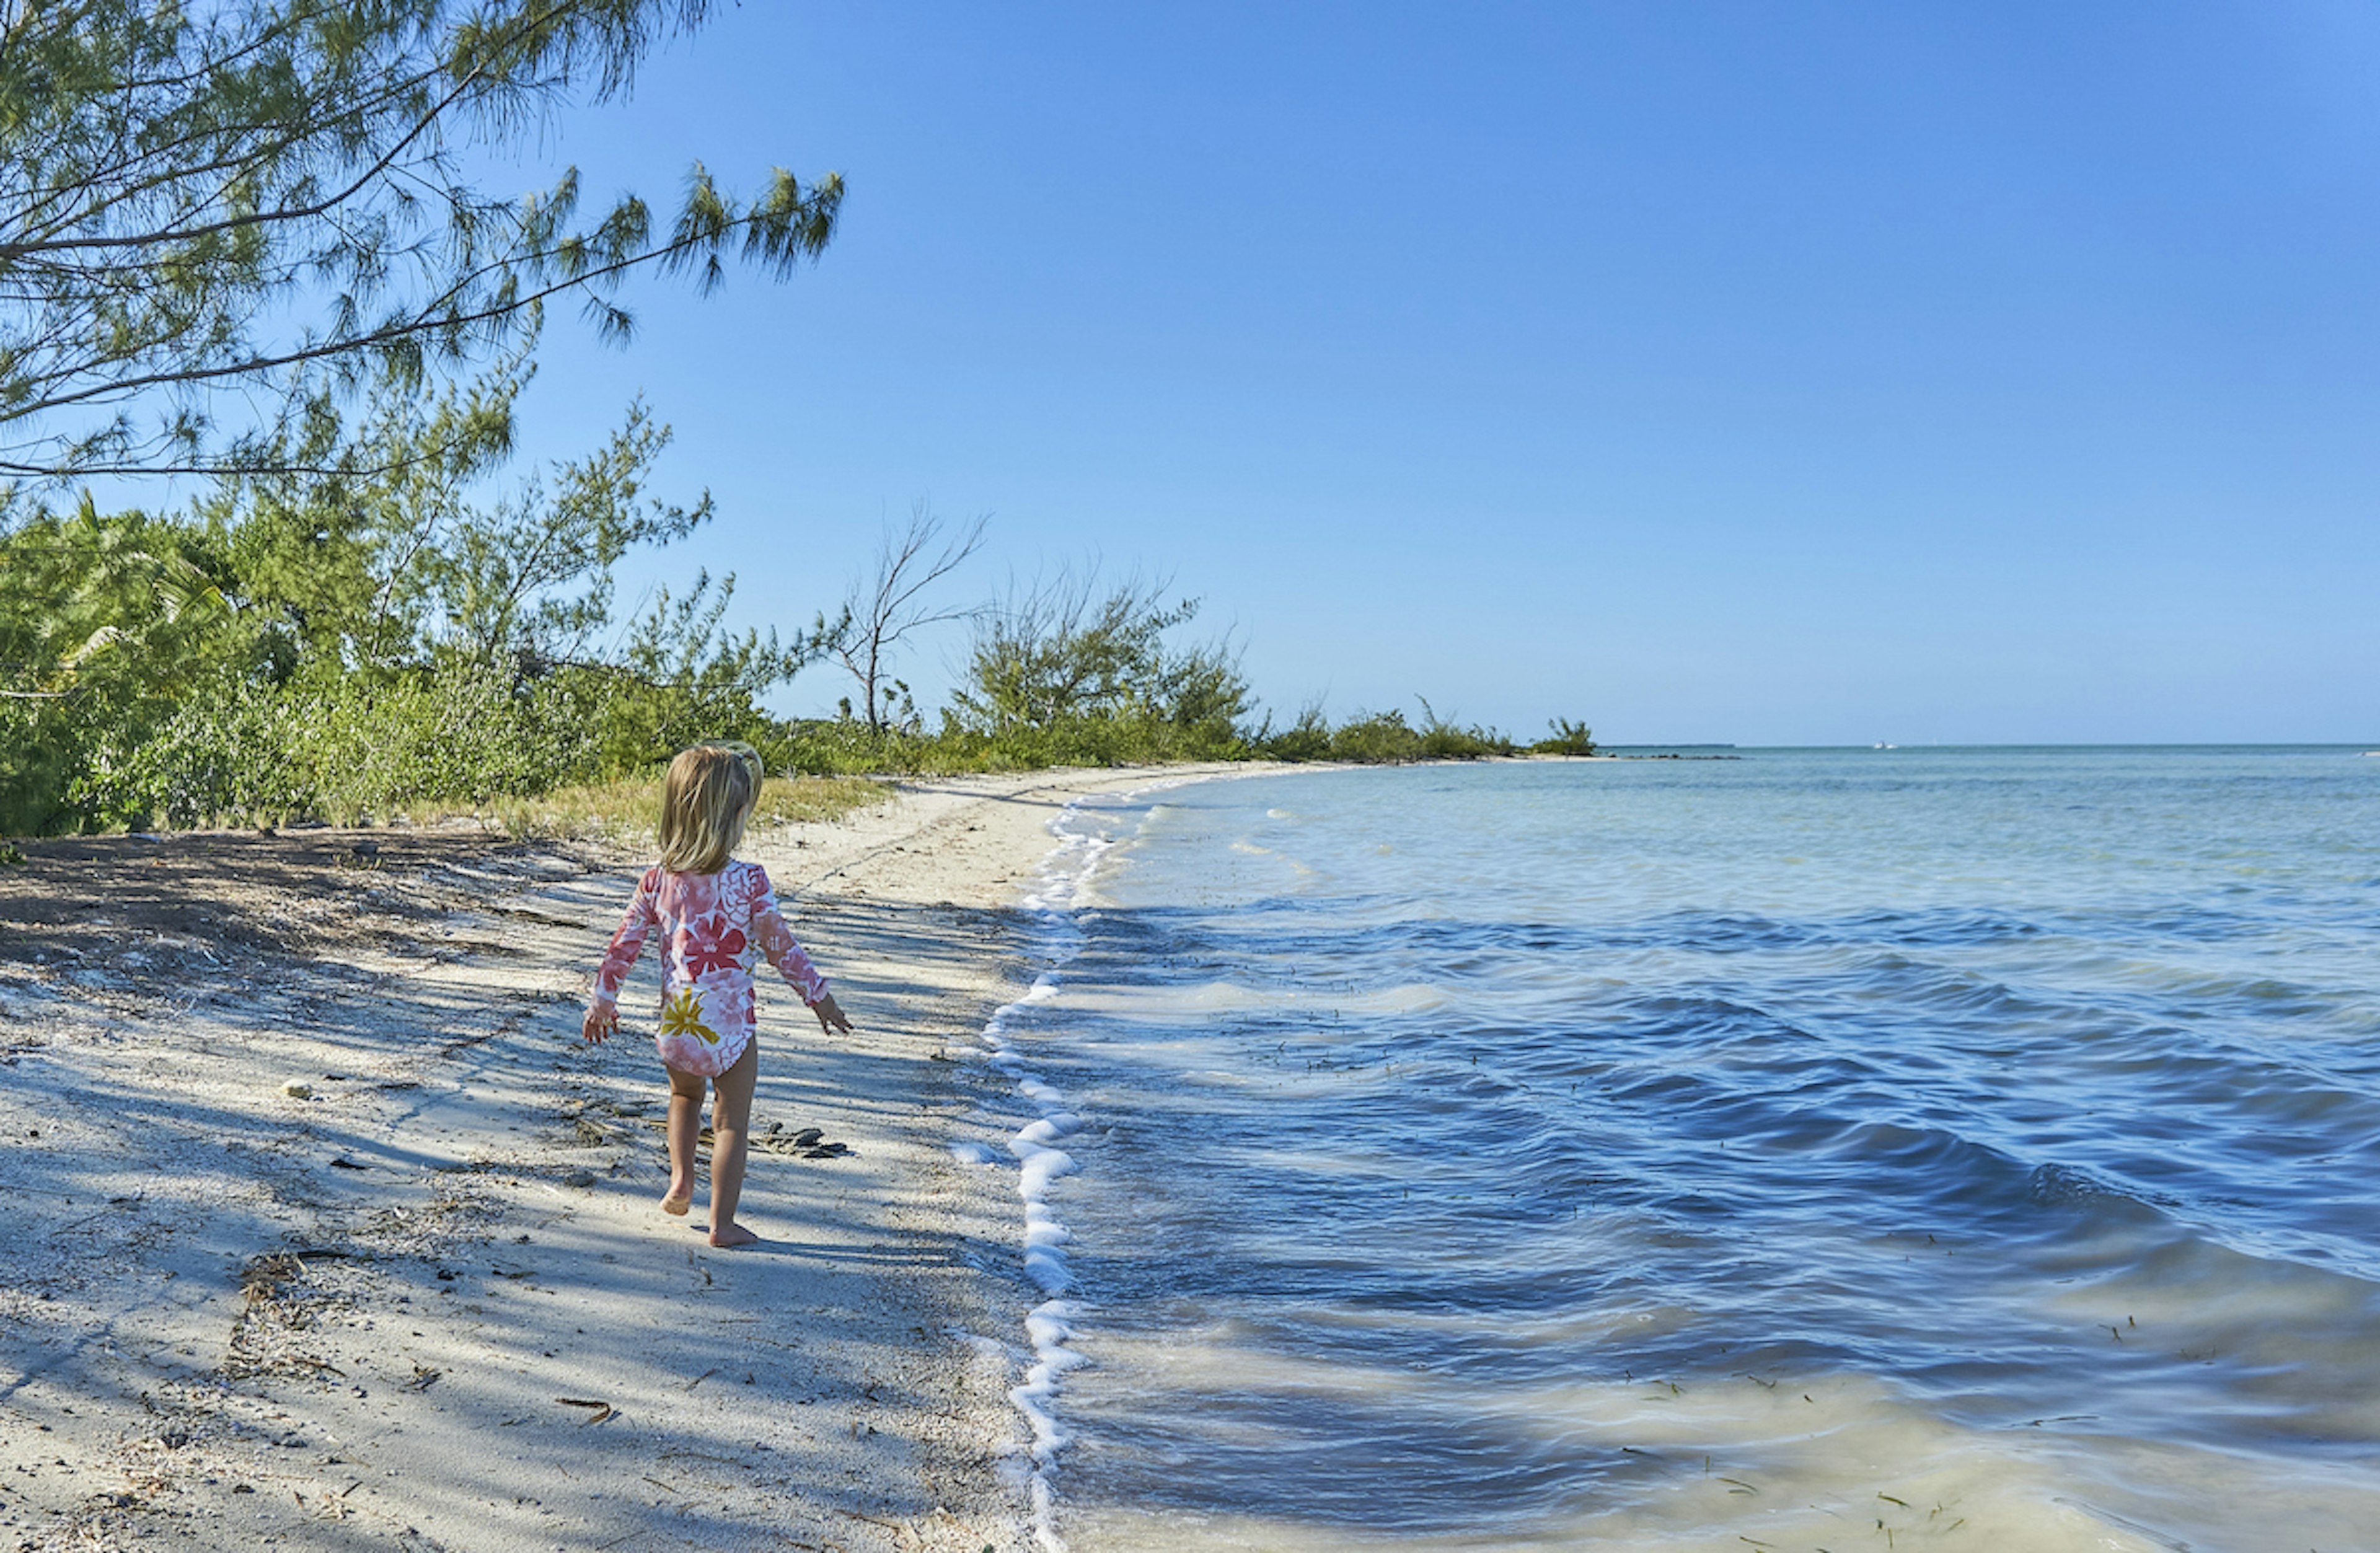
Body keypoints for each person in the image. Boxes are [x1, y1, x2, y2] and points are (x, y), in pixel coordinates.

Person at [581, 742, 852, 1247]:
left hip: (679, 1022)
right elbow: (780, 946)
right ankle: (721, 1225)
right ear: (735, 815)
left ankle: (681, 1181)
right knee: (730, 1124)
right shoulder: (749, 881)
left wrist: (603, 999)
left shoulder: (657, 881)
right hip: (730, 1026)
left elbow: (624, 946)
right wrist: (819, 997)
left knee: (684, 1097)